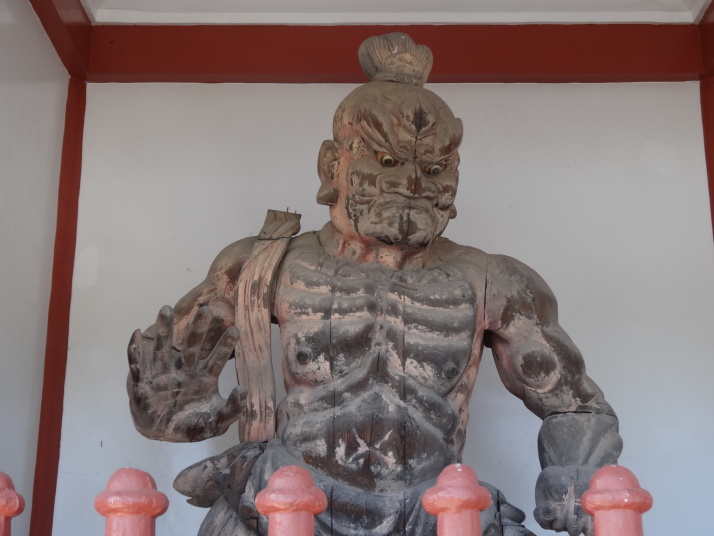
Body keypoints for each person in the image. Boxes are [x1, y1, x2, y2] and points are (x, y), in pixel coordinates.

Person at [126, 33, 622, 536]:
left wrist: (575, 481)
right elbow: (172, 401)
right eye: (386, 161)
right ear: (331, 165)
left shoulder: (492, 280)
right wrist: (169, 409)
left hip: (435, 511)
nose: (413, 184)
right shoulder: (264, 265)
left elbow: (575, 404)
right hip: (286, 501)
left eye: (434, 168)